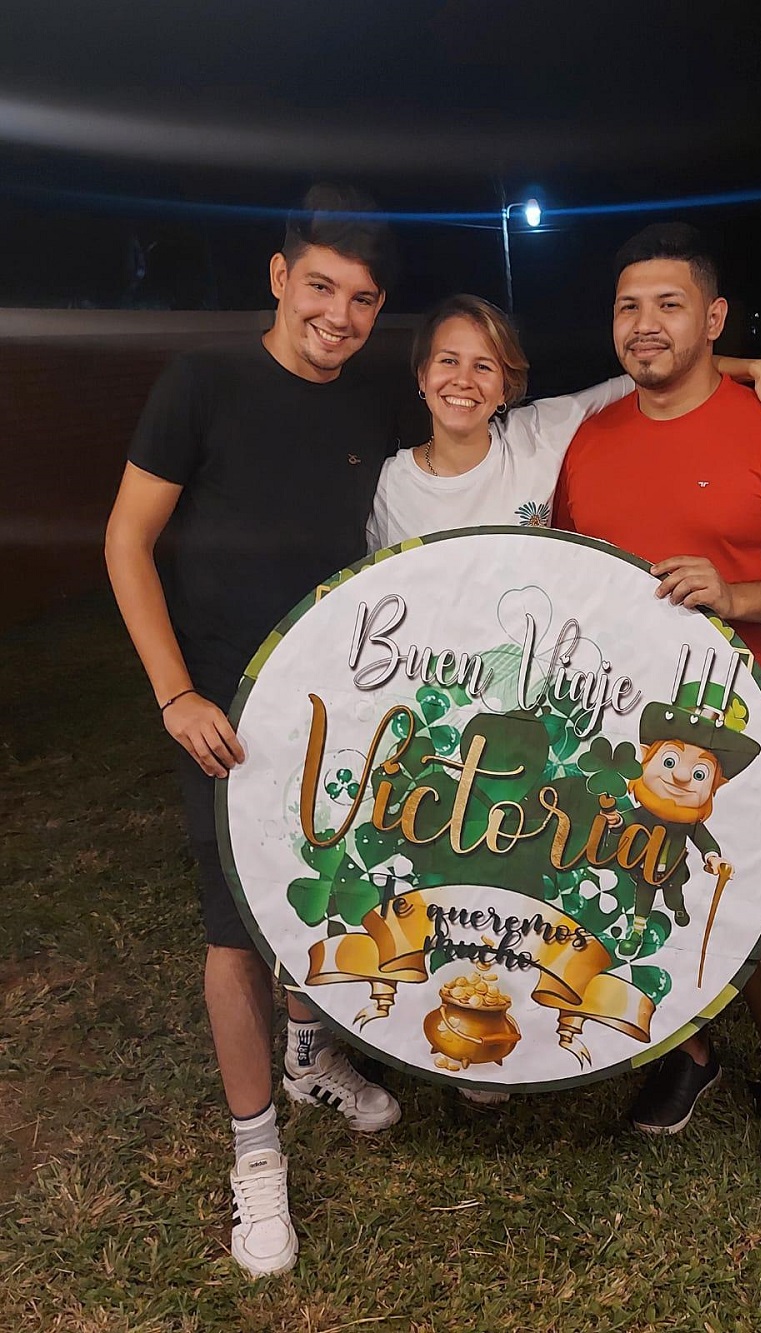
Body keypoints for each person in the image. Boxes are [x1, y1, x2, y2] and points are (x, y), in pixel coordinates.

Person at [104, 185, 404, 1278]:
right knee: (235, 935)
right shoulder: (202, 383)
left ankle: (310, 1057)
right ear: (279, 277)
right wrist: (175, 694)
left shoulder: (374, 398)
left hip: (339, 709)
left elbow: (507, 406)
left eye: (361, 298)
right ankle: (256, 1151)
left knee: (325, 892)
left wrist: (746, 364)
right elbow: (126, 541)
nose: (338, 315)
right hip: (223, 716)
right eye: (320, 286)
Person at [554, 222, 761, 1189]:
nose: (645, 325)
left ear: (715, 317)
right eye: (628, 306)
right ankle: (688, 1052)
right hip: (616, 726)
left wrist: (737, 595)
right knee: (630, 893)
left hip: (744, 727)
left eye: (670, 304)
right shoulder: (591, 437)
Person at [368, 293, 761, 549]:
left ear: (506, 387)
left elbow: (644, 376)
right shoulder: (391, 485)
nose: (463, 381)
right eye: (448, 361)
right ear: (423, 376)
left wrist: (753, 367)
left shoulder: (540, 432)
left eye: (484, 366)